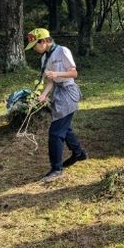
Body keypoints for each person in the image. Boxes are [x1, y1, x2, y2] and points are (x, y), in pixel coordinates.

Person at [25, 28, 87, 183]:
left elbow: (74, 73)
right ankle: (79, 153)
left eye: (35, 45)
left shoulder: (62, 51)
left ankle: (56, 169)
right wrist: (43, 95)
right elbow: (50, 82)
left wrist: (58, 74)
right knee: (64, 127)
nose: (34, 49)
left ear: (44, 41)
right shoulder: (44, 59)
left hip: (69, 91)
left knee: (55, 132)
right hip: (58, 93)